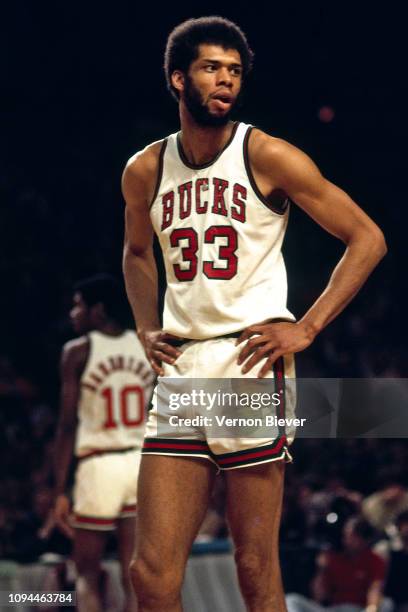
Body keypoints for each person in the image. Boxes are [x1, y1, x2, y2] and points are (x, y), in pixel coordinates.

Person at [122, 16, 387, 612]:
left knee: (253, 565)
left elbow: (367, 237)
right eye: (211, 68)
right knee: (150, 574)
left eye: (235, 72)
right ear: (177, 79)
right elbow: (137, 253)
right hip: (183, 368)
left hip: (249, 360)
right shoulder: (144, 170)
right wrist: (144, 323)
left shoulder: (267, 154)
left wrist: (309, 325)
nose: (226, 81)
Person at [53, 274, 154, 612]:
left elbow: (67, 425)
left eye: (78, 305)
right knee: (133, 573)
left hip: (99, 462)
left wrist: (58, 489)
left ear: (97, 310)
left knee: (86, 574)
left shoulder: (77, 351)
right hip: (141, 462)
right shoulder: (145, 344)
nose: (72, 313)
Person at [286, 516, 391, 612]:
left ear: (362, 539)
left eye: (350, 536)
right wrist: (322, 569)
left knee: (387, 603)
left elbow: (375, 589)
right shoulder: (332, 556)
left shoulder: (375, 560)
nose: (344, 539)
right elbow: (320, 596)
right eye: (344, 535)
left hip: (358, 609)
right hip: (333, 609)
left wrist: (372, 608)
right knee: (291, 599)